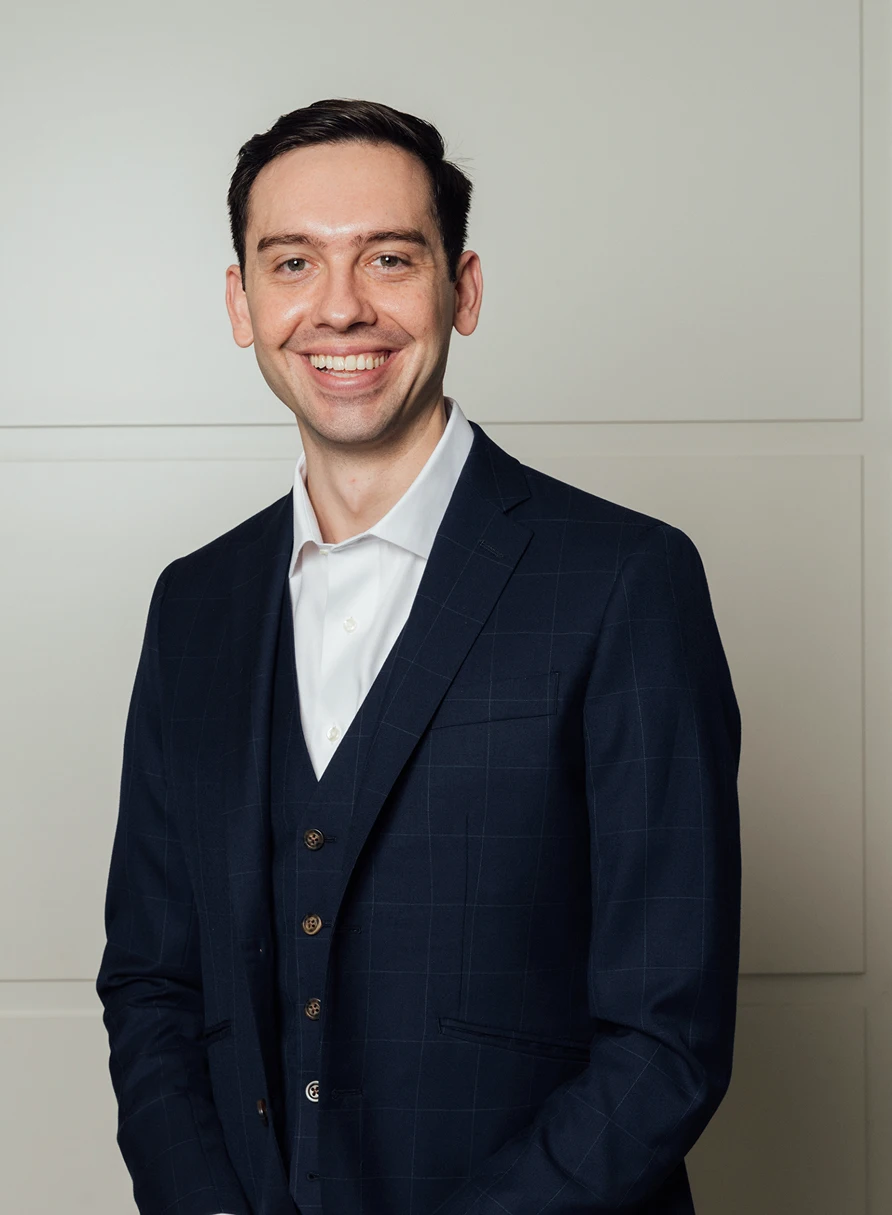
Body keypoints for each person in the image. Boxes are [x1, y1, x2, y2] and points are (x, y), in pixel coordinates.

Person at [96, 98, 742, 1215]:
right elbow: (154, 983)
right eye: (292, 262)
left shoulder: (625, 581)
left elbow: (665, 1038)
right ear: (243, 304)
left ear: (463, 290)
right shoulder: (193, 605)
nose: (340, 305)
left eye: (389, 258)